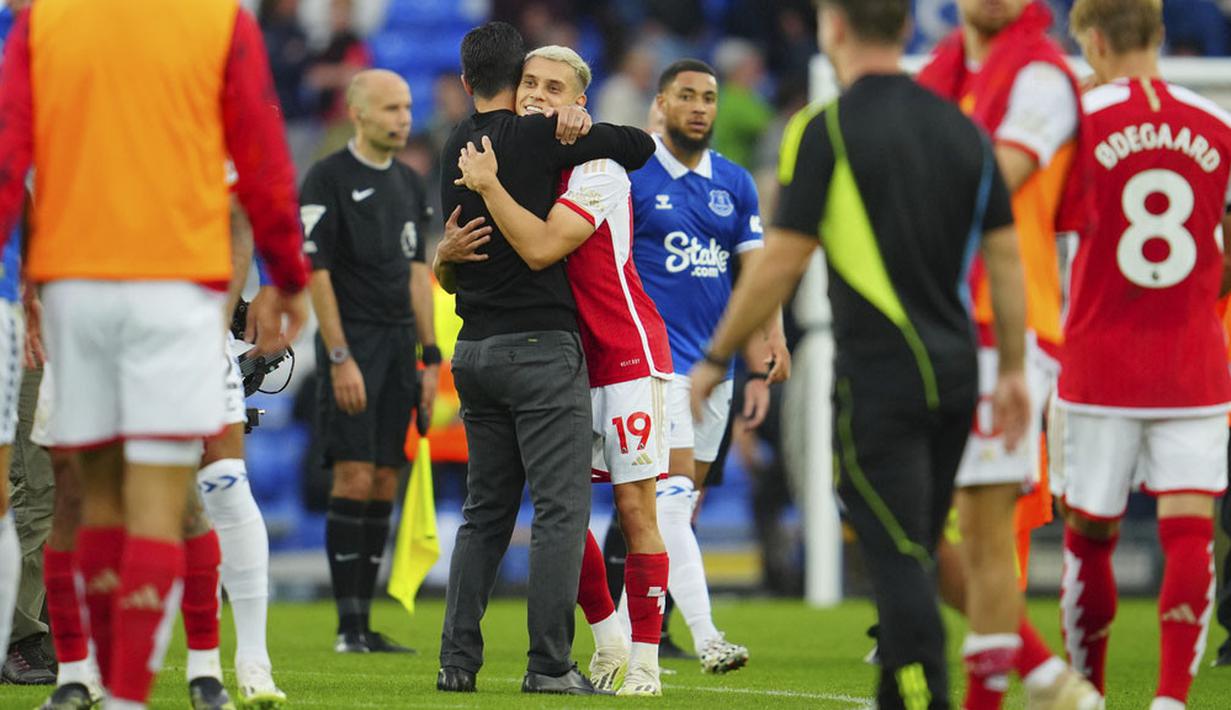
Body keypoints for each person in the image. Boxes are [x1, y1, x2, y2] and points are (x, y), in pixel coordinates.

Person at [690, 0, 1030, 706]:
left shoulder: (828, 128)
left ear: (832, 28)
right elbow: (1005, 259)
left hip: (883, 377)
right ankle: (892, 693)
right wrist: (1018, 370)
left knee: (897, 551)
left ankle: (927, 692)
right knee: (918, 540)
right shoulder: (963, 128)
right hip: (961, 372)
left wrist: (718, 355)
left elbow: (782, 258)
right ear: (907, 29)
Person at [0, 2, 309, 708]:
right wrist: (288, 276)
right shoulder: (219, 20)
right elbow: (262, 155)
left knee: (93, 499)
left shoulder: (41, 22)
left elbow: (9, 150)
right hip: (175, 287)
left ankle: (103, 679)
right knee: (157, 502)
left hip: (78, 285)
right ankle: (125, 696)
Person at [433, 21, 654, 695]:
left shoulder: (453, 147)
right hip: (539, 348)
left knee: (484, 513)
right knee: (560, 511)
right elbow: (639, 144)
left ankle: (457, 663)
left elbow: (453, 257)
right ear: (514, 80)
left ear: (467, 84)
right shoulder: (543, 140)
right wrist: (577, 121)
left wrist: (441, 262)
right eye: (530, 82)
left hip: (472, 351)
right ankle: (549, 665)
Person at [915, 1, 1096, 706]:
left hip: (1002, 324)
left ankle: (987, 698)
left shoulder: (1041, 79)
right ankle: (1047, 675)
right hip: (929, 316)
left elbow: (989, 181)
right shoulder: (943, 75)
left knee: (986, 533)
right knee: (899, 530)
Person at [1055, 2, 1231, 707]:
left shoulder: (1078, 122)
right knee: (1189, 530)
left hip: (1098, 360)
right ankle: (1168, 700)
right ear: (1158, 35)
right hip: (1192, 358)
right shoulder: (1216, 123)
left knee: (1089, 532)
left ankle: (1088, 694)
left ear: (1093, 40)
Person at [624, 57, 789, 674]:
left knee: (675, 507)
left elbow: (753, 272)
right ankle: (708, 635)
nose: (700, 106)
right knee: (664, 504)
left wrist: (769, 343)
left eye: (709, 97)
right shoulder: (634, 177)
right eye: (686, 95)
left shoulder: (736, 182)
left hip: (713, 373)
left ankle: (622, 635)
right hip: (655, 367)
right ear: (661, 105)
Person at [302, 68, 437, 655]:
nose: (403, 118)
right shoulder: (327, 178)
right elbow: (317, 272)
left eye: (407, 107)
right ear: (358, 113)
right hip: (351, 343)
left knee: (386, 475)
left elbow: (416, 275)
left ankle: (364, 623)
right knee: (353, 472)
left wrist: (429, 357)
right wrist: (339, 356)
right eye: (390, 109)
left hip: (399, 346)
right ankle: (345, 625)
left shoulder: (410, 184)